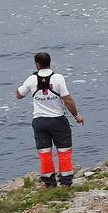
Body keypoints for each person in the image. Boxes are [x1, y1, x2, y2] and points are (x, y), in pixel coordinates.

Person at [15, 52, 84, 188]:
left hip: (40, 122)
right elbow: (67, 100)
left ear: (37, 64)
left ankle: (49, 183)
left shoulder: (31, 79)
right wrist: (76, 116)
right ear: (50, 62)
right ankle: (65, 182)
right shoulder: (58, 78)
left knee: (45, 153)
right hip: (57, 120)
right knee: (64, 152)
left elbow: (19, 95)